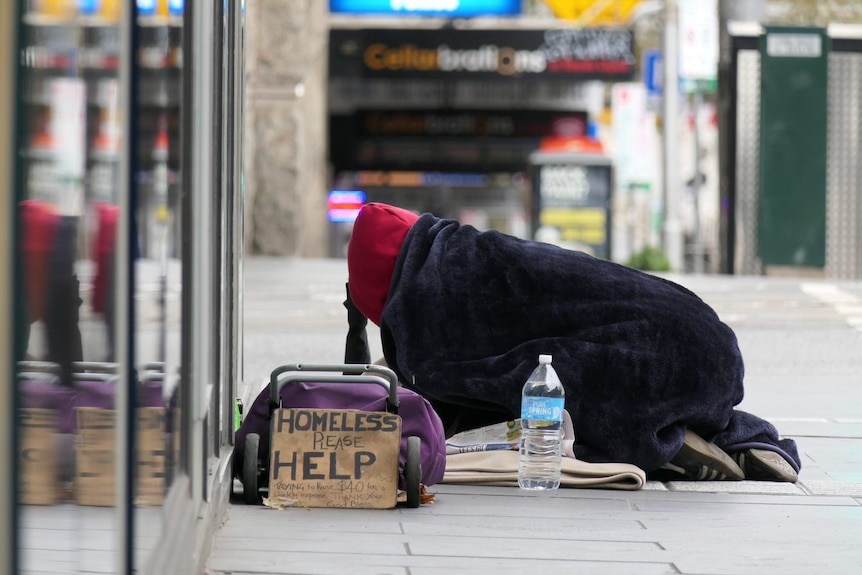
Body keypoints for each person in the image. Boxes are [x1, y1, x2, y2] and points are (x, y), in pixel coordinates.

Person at [345, 202, 800, 482]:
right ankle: (720, 429)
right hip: (705, 335)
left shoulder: (433, 307)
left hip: (660, 359)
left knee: (526, 395)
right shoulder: (473, 252)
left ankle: (663, 441)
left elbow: (448, 384)